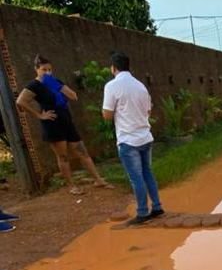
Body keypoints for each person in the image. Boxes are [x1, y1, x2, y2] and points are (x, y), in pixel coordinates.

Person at [16, 55, 112, 195]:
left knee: (82, 152)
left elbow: (73, 96)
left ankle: (98, 180)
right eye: (44, 70)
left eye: (50, 70)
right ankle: (71, 186)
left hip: (67, 121)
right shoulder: (34, 86)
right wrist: (39, 115)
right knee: (63, 156)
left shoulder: (55, 81)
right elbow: (20, 101)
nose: (48, 73)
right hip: (52, 124)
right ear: (36, 69)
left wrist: (56, 85)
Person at [102, 51, 164, 226]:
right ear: (129, 66)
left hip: (128, 140)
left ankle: (143, 212)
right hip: (145, 136)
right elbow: (149, 111)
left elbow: (107, 114)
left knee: (136, 177)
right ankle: (157, 207)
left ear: (113, 68)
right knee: (147, 173)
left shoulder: (112, 86)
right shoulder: (140, 86)